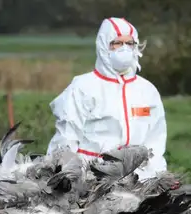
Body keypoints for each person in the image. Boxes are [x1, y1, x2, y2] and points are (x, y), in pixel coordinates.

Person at [46, 17, 168, 180]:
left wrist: (155, 174)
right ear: (103, 46)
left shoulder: (147, 90)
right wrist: (65, 175)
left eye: (129, 43)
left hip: (139, 177)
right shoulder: (82, 87)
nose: (124, 49)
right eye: (117, 43)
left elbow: (156, 139)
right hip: (91, 177)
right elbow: (67, 137)